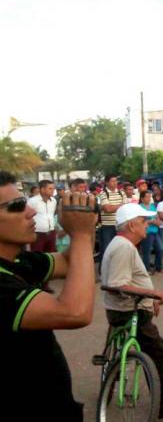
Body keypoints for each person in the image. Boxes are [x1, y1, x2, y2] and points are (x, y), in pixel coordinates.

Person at [0, 171, 96, 421]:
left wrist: (84, 223)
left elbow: (68, 261)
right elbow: (74, 313)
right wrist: (83, 236)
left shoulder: (18, 260)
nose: (30, 212)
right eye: (17, 206)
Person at [101, 203, 163, 422]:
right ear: (131, 225)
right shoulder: (123, 247)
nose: (148, 225)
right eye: (144, 221)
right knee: (159, 354)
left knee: (160, 352)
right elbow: (118, 284)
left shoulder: (123, 245)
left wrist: (149, 297)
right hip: (128, 312)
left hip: (133, 307)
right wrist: (153, 293)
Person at [98, 174, 127, 259]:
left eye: (116, 181)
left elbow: (125, 207)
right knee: (107, 248)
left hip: (120, 225)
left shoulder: (121, 193)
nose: (115, 183)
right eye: (112, 181)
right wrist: (121, 205)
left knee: (120, 248)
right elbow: (108, 209)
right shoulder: (103, 194)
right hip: (108, 226)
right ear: (106, 183)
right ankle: (103, 269)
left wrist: (113, 206)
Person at [27, 179, 58, 253]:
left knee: (51, 255)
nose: (53, 190)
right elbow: (27, 216)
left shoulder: (54, 201)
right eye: (50, 188)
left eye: (53, 188)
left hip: (51, 232)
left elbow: (52, 215)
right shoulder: (32, 201)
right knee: (37, 255)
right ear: (42, 189)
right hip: (38, 233)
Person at [140, 191, 163, 274]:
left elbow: (157, 216)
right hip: (147, 231)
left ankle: (158, 267)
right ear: (142, 199)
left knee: (159, 249)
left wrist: (157, 221)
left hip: (155, 230)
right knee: (147, 251)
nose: (149, 198)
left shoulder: (153, 206)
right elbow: (140, 220)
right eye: (147, 197)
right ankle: (147, 269)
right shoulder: (140, 207)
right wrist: (150, 222)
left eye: (149, 197)